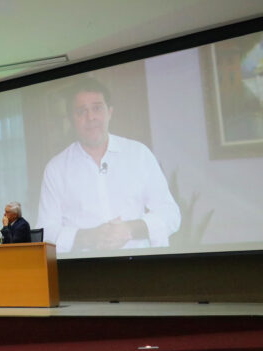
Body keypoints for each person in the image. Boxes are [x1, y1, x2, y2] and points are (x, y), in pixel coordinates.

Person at [37, 77, 181, 253]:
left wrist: (129, 230)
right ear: (71, 119)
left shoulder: (139, 154)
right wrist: (89, 237)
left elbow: (171, 215)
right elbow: (46, 232)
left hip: (140, 267)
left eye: (97, 108)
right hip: (83, 271)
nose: (90, 117)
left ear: (109, 112)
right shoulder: (56, 168)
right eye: (81, 111)